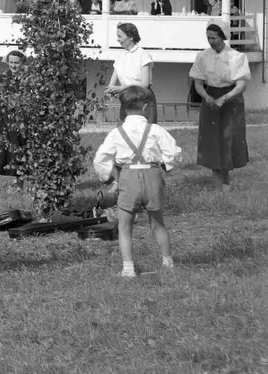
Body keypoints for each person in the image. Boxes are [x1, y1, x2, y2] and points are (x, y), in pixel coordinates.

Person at [93, 86, 180, 278]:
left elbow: (101, 158)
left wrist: (106, 178)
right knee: (158, 224)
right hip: (152, 176)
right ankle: (168, 264)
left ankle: (128, 268)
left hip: (128, 177)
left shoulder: (117, 133)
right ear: (146, 106)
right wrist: (166, 165)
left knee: (125, 226)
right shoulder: (155, 130)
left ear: (122, 108)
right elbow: (173, 151)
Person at [189, 24, 251, 190]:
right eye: (208, 37)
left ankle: (226, 182)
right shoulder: (202, 56)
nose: (211, 41)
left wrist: (224, 98)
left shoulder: (237, 57)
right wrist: (207, 97)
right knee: (212, 139)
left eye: (214, 38)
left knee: (229, 137)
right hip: (210, 97)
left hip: (231, 99)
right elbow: (198, 82)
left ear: (223, 37)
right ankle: (218, 184)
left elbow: (241, 85)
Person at [0, 50, 26, 195]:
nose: (13, 65)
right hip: (2, 119)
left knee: (19, 150)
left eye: (16, 62)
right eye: (11, 62)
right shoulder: (2, 77)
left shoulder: (26, 80)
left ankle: (18, 186)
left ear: (22, 63)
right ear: (8, 62)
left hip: (19, 121)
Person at [105, 23, 155, 122]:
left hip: (142, 101)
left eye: (120, 36)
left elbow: (145, 85)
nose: (117, 39)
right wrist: (109, 92)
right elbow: (112, 83)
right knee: (124, 133)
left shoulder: (143, 55)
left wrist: (121, 88)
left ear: (131, 37)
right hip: (126, 101)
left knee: (144, 134)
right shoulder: (120, 57)